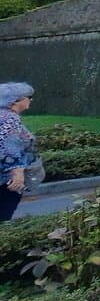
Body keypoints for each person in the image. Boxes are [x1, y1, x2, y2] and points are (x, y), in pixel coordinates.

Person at [0, 82, 38, 221]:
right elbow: (9, 148)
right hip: (5, 180)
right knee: (3, 216)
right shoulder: (10, 118)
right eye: (29, 96)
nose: (31, 100)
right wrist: (18, 175)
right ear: (15, 101)